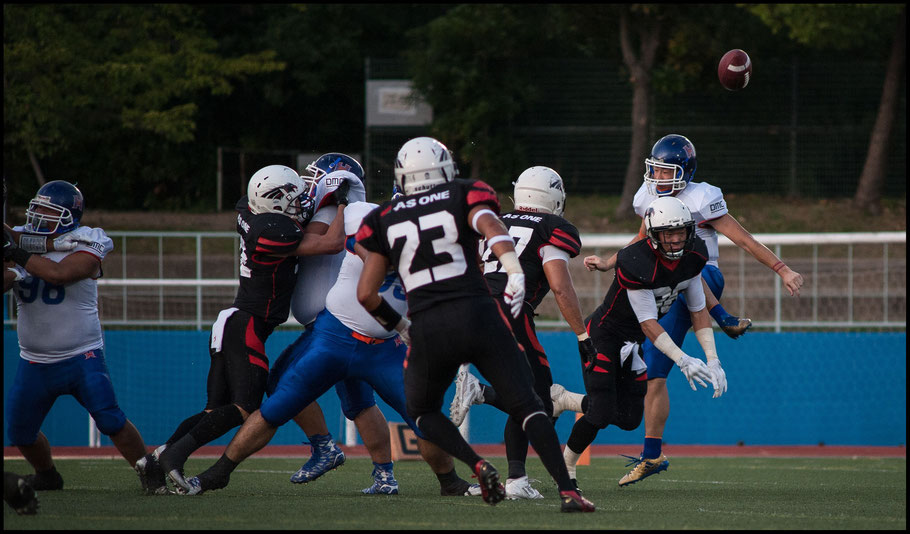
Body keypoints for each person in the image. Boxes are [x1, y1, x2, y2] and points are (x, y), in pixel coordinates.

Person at [181, 194, 480, 498]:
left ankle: (449, 482)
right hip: (334, 338)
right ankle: (217, 473)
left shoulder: (443, 249)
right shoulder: (367, 218)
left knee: (424, 418)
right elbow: (341, 238)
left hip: (385, 349)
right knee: (277, 405)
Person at [355, 137, 594, 512]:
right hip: (481, 315)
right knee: (531, 405)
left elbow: (366, 295)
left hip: (429, 325)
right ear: (446, 169)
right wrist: (514, 271)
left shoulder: (381, 219)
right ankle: (568, 492)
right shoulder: (465, 194)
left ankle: (477, 464)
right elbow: (492, 228)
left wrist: (403, 328)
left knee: (423, 413)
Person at [583, 134, 802, 486]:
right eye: (655, 170)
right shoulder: (650, 197)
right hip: (667, 283)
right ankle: (652, 454)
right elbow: (641, 239)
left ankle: (722, 316)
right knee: (654, 373)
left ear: (684, 171)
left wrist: (782, 269)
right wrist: (610, 263)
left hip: (703, 276)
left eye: (666, 172)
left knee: (685, 270)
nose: (658, 178)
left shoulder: (702, 197)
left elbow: (743, 238)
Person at [146, 164, 353, 495]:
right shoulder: (272, 231)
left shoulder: (251, 209)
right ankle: (173, 455)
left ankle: (155, 460)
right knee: (244, 408)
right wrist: (341, 203)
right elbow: (331, 243)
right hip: (247, 325)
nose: (301, 204)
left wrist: (320, 193)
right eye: (294, 198)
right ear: (275, 203)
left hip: (233, 321)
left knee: (214, 410)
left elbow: (288, 213)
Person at [448, 166, 594, 500]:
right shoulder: (553, 227)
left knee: (528, 394)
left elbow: (476, 264)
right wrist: (582, 335)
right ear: (555, 197)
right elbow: (559, 286)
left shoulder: (497, 219)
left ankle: (516, 478)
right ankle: (483, 397)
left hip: (472, 305)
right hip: (510, 309)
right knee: (537, 400)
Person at [563, 196, 726, 491]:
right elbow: (648, 323)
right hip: (604, 335)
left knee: (629, 419)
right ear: (653, 234)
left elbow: (698, 309)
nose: (676, 240)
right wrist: (683, 360)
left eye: (681, 232)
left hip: (633, 343)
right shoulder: (636, 262)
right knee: (600, 413)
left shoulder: (694, 255)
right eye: (668, 233)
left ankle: (562, 399)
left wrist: (712, 358)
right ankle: (567, 468)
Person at [3, 180, 155, 494]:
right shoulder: (19, 237)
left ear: (68, 216)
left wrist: (16, 252)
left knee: (111, 420)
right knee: (20, 432)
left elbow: (60, 274)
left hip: (81, 356)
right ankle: (47, 476)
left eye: (48, 210)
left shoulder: (88, 240)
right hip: (34, 361)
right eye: (37, 208)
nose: (39, 216)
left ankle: (149, 472)